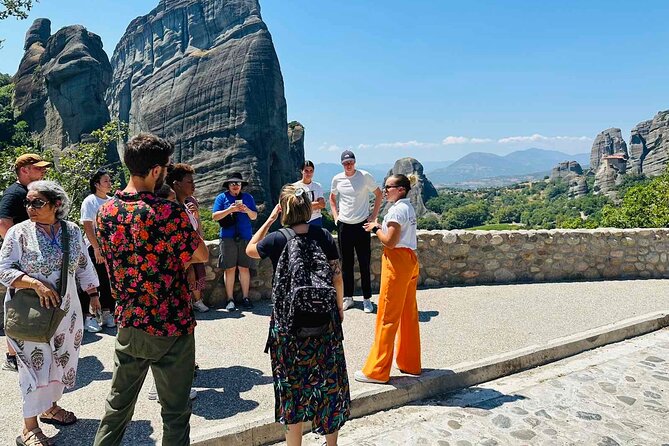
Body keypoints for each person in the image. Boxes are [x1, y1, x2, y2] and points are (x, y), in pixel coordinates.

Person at [93, 133, 209, 446]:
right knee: (174, 413)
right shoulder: (166, 213)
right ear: (156, 171)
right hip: (171, 323)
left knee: (117, 407)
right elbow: (202, 254)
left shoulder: (106, 212)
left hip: (130, 322)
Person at [246, 184, 349, 446]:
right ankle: (331, 443)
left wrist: (269, 219)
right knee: (328, 385)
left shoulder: (277, 239)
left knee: (292, 389)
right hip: (325, 324)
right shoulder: (323, 235)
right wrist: (338, 310)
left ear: (284, 209)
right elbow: (337, 278)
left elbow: (250, 249)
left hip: (288, 328)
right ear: (307, 208)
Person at [0, 180, 100, 446]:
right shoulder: (19, 233)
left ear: (57, 205)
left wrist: (93, 294)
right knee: (33, 366)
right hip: (30, 313)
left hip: (67, 313)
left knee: (60, 360)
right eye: (28, 203)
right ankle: (29, 427)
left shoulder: (72, 231)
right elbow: (3, 269)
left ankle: (50, 408)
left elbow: (83, 264)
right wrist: (34, 283)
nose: (30, 207)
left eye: (37, 202)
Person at [355, 174, 421, 384]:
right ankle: (410, 363)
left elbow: (390, 241)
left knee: (387, 315)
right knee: (408, 314)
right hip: (410, 259)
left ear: (401, 189)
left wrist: (375, 227)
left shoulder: (396, 210)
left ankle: (377, 370)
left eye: (389, 187)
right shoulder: (408, 207)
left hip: (397, 261)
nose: (385, 190)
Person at [0, 153, 51, 372]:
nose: (43, 171)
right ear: (24, 170)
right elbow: (3, 223)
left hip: (26, 260)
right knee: (17, 307)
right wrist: (19, 251)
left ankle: (20, 353)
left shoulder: (28, 192)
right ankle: (13, 357)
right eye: (38, 168)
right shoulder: (15, 193)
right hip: (18, 261)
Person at [329, 150, 382, 314]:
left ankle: (367, 299)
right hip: (344, 225)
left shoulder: (365, 176)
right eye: (345, 163)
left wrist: (373, 217)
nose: (348, 165)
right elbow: (332, 197)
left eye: (350, 162)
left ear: (355, 162)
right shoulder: (337, 179)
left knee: (364, 262)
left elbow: (379, 194)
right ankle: (348, 298)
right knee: (346, 264)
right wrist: (336, 217)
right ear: (342, 164)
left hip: (362, 225)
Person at [166, 163, 209, 312]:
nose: (194, 186)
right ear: (176, 185)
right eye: (189, 182)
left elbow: (197, 231)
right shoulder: (171, 209)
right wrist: (189, 262)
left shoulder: (187, 205)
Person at [212, 172, 257, 311]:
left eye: (238, 183)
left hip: (245, 236)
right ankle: (230, 299)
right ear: (228, 185)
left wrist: (246, 209)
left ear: (241, 185)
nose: (235, 186)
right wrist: (230, 209)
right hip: (227, 237)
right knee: (229, 269)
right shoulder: (222, 198)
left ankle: (245, 297)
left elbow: (254, 216)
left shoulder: (248, 198)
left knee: (244, 268)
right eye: (233, 183)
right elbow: (215, 216)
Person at [79, 169, 116, 333]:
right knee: (94, 280)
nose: (109, 183)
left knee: (109, 281)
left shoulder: (112, 200)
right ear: (96, 184)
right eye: (106, 181)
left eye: (109, 180)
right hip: (95, 247)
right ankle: (89, 316)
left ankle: (108, 312)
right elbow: (88, 226)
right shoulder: (90, 201)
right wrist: (96, 249)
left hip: (111, 248)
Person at [293, 160, 325, 227]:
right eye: (306, 171)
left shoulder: (318, 186)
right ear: (302, 171)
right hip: (301, 220)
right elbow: (297, 206)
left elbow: (322, 204)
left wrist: (305, 205)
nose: (309, 173)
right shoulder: (295, 187)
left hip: (316, 219)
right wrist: (316, 204)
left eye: (311, 171)